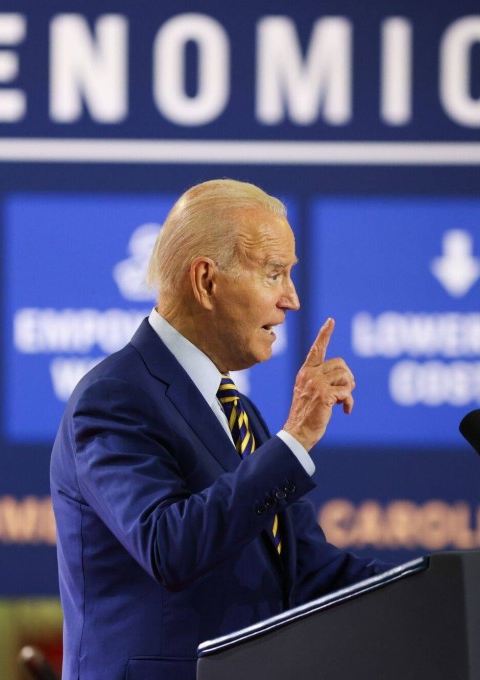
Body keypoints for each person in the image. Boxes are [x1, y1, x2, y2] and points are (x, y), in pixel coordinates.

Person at [50, 179, 391, 680]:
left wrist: (450, 585)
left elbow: (309, 571)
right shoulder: (114, 397)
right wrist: (293, 441)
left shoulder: (239, 413)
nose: (292, 299)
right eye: (275, 274)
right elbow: (168, 546)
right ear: (206, 281)